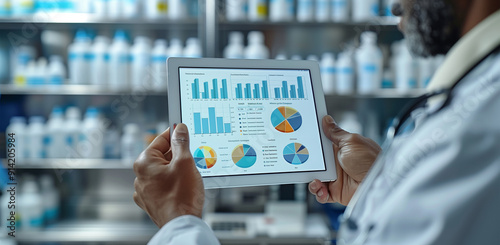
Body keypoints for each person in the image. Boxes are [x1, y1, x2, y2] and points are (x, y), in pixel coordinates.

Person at [133, 0, 500, 243]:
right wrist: (375, 187)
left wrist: (178, 219)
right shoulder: (475, 92)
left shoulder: (482, 117)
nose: (395, 5)